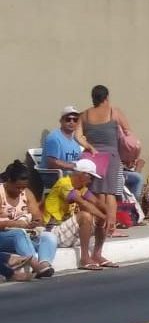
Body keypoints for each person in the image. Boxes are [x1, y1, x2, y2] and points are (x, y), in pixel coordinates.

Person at [75, 85, 132, 237]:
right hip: (112, 156)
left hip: (94, 157)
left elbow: (77, 136)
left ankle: (100, 225)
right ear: (106, 98)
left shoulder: (85, 115)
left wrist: (90, 147)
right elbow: (128, 133)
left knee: (98, 191)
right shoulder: (114, 112)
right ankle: (111, 228)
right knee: (110, 193)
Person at [43, 159, 115, 270]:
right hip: (53, 232)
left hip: (67, 233)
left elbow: (97, 202)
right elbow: (84, 203)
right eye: (91, 177)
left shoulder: (81, 188)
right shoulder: (64, 184)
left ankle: (97, 255)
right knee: (85, 215)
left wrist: (109, 217)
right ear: (82, 174)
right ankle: (85, 259)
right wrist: (104, 216)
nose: (91, 180)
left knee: (100, 218)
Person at [0, 161, 58, 278]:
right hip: (5, 236)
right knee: (18, 234)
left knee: (49, 236)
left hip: (26, 235)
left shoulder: (26, 193)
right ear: (9, 181)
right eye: (18, 187)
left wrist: (34, 223)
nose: (20, 190)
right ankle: (35, 265)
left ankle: (44, 264)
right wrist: (14, 223)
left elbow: (38, 217)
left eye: (23, 187)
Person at [41, 106, 83, 177]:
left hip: (70, 176)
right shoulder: (54, 138)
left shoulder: (75, 142)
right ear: (61, 121)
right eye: (68, 119)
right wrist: (73, 166)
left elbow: (78, 161)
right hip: (55, 177)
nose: (71, 122)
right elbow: (52, 162)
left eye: (75, 120)